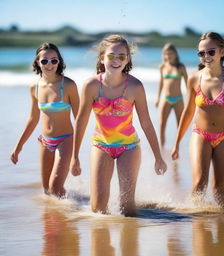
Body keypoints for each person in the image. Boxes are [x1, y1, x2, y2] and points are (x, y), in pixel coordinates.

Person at [70, 34, 167, 216]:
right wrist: (74, 156)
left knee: (127, 209)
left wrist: (158, 157)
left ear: (127, 59)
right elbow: (81, 121)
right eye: (111, 56)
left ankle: (129, 240)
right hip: (101, 145)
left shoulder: (135, 86)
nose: (116, 60)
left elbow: (146, 123)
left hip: (129, 147)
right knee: (97, 208)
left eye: (121, 56)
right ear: (102, 58)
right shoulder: (91, 85)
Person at [171, 32, 224, 208]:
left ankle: (222, 227)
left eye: (211, 52)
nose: (206, 56)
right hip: (200, 134)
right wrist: (177, 142)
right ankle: (196, 225)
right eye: (201, 53)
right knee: (199, 183)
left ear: (222, 52)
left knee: (219, 188)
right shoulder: (194, 78)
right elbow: (188, 111)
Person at [10, 42, 79, 198]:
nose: (50, 64)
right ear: (37, 62)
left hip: (66, 140)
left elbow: (79, 118)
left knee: (55, 188)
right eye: (45, 61)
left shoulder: (68, 85)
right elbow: (33, 118)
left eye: (54, 60)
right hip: (45, 141)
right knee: (47, 191)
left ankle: (76, 213)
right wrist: (19, 146)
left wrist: (76, 153)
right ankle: (67, 213)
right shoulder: (34, 87)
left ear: (59, 62)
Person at [155, 43, 188, 147]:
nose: (168, 56)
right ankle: (162, 147)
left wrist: (190, 99)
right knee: (161, 124)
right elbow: (161, 82)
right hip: (166, 98)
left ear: (175, 54)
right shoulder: (162, 67)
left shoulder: (180, 67)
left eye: (171, 53)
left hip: (178, 99)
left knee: (180, 124)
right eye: (166, 53)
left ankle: (177, 146)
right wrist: (157, 97)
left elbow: (187, 83)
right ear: (164, 55)